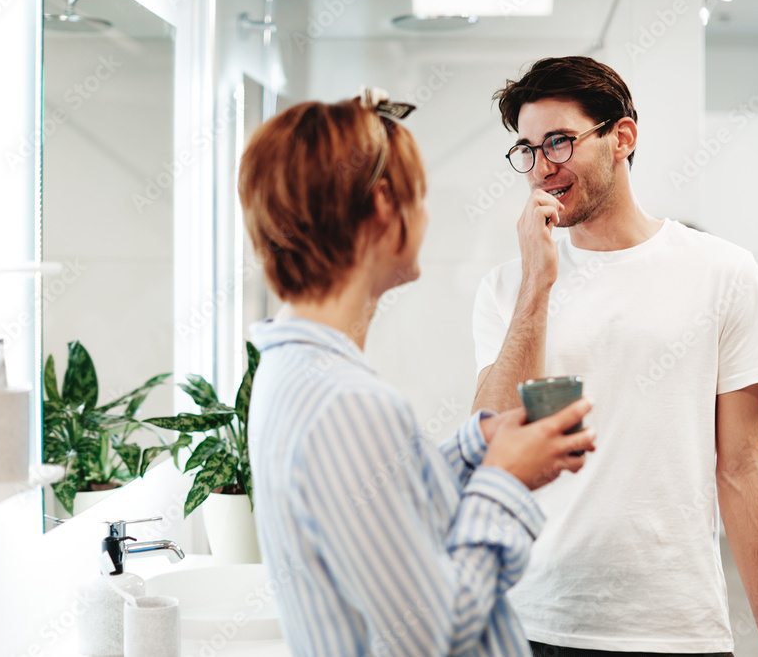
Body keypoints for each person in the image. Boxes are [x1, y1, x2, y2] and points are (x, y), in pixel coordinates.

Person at [238, 90, 597, 656]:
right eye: (420, 196)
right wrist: (504, 482)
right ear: (384, 206)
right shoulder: (348, 404)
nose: (426, 215)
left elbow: (377, 507)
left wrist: (473, 448)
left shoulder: (293, 369)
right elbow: (431, 632)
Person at [472, 56, 758, 656]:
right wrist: (537, 284)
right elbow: (490, 442)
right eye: (527, 149)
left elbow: (743, 465)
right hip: (533, 620)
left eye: (560, 142)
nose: (542, 168)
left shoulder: (721, 271)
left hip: (674, 625)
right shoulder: (509, 289)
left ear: (621, 137)